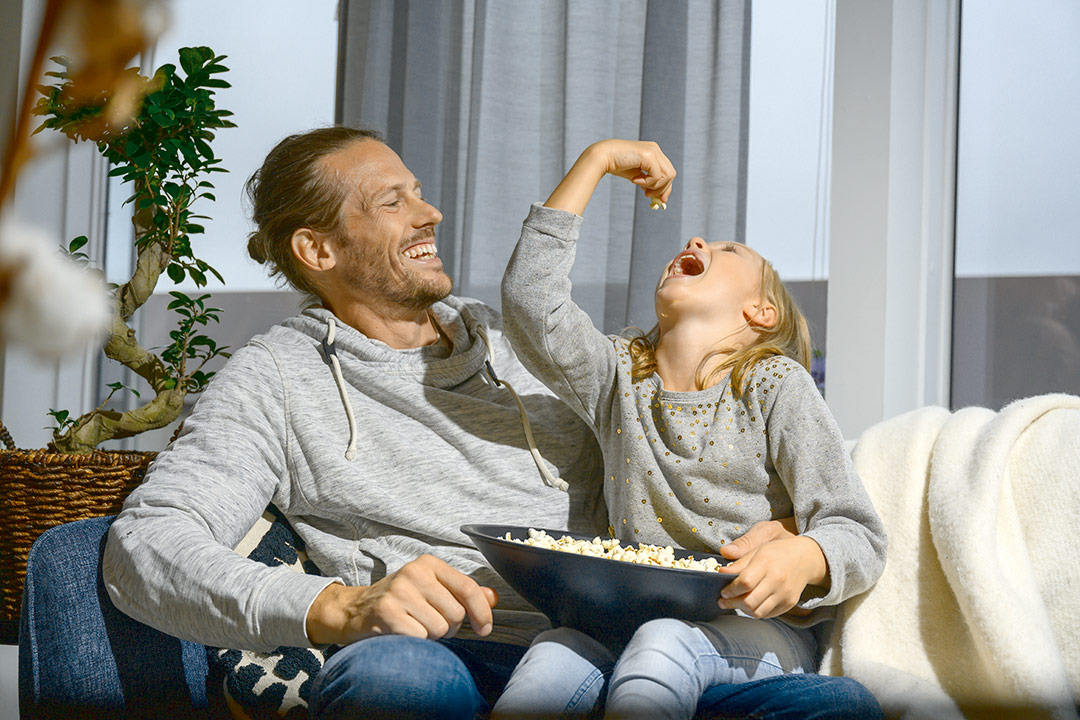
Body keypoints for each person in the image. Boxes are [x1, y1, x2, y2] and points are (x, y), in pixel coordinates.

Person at [102, 126, 883, 719]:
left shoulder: (532, 359)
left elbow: (713, 465)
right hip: (456, 661)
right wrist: (338, 608)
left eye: (418, 191)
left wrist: (793, 535)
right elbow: (145, 549)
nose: (429, 212)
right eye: (392, 201)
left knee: (837, 707)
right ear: (318, 248)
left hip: (640, 651)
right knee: (392, 675)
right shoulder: (278, 377)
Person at [492, 138, 888, 720]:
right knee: (552, 653)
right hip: (616, 620)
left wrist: (805, 557)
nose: (695, 242)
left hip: (754, 631)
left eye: (728, 249)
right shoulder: (618, 377)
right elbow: (531, 301)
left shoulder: (775, 385)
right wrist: (596, 161)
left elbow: (858, 533)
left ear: (761, 313)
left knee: (665, 643)